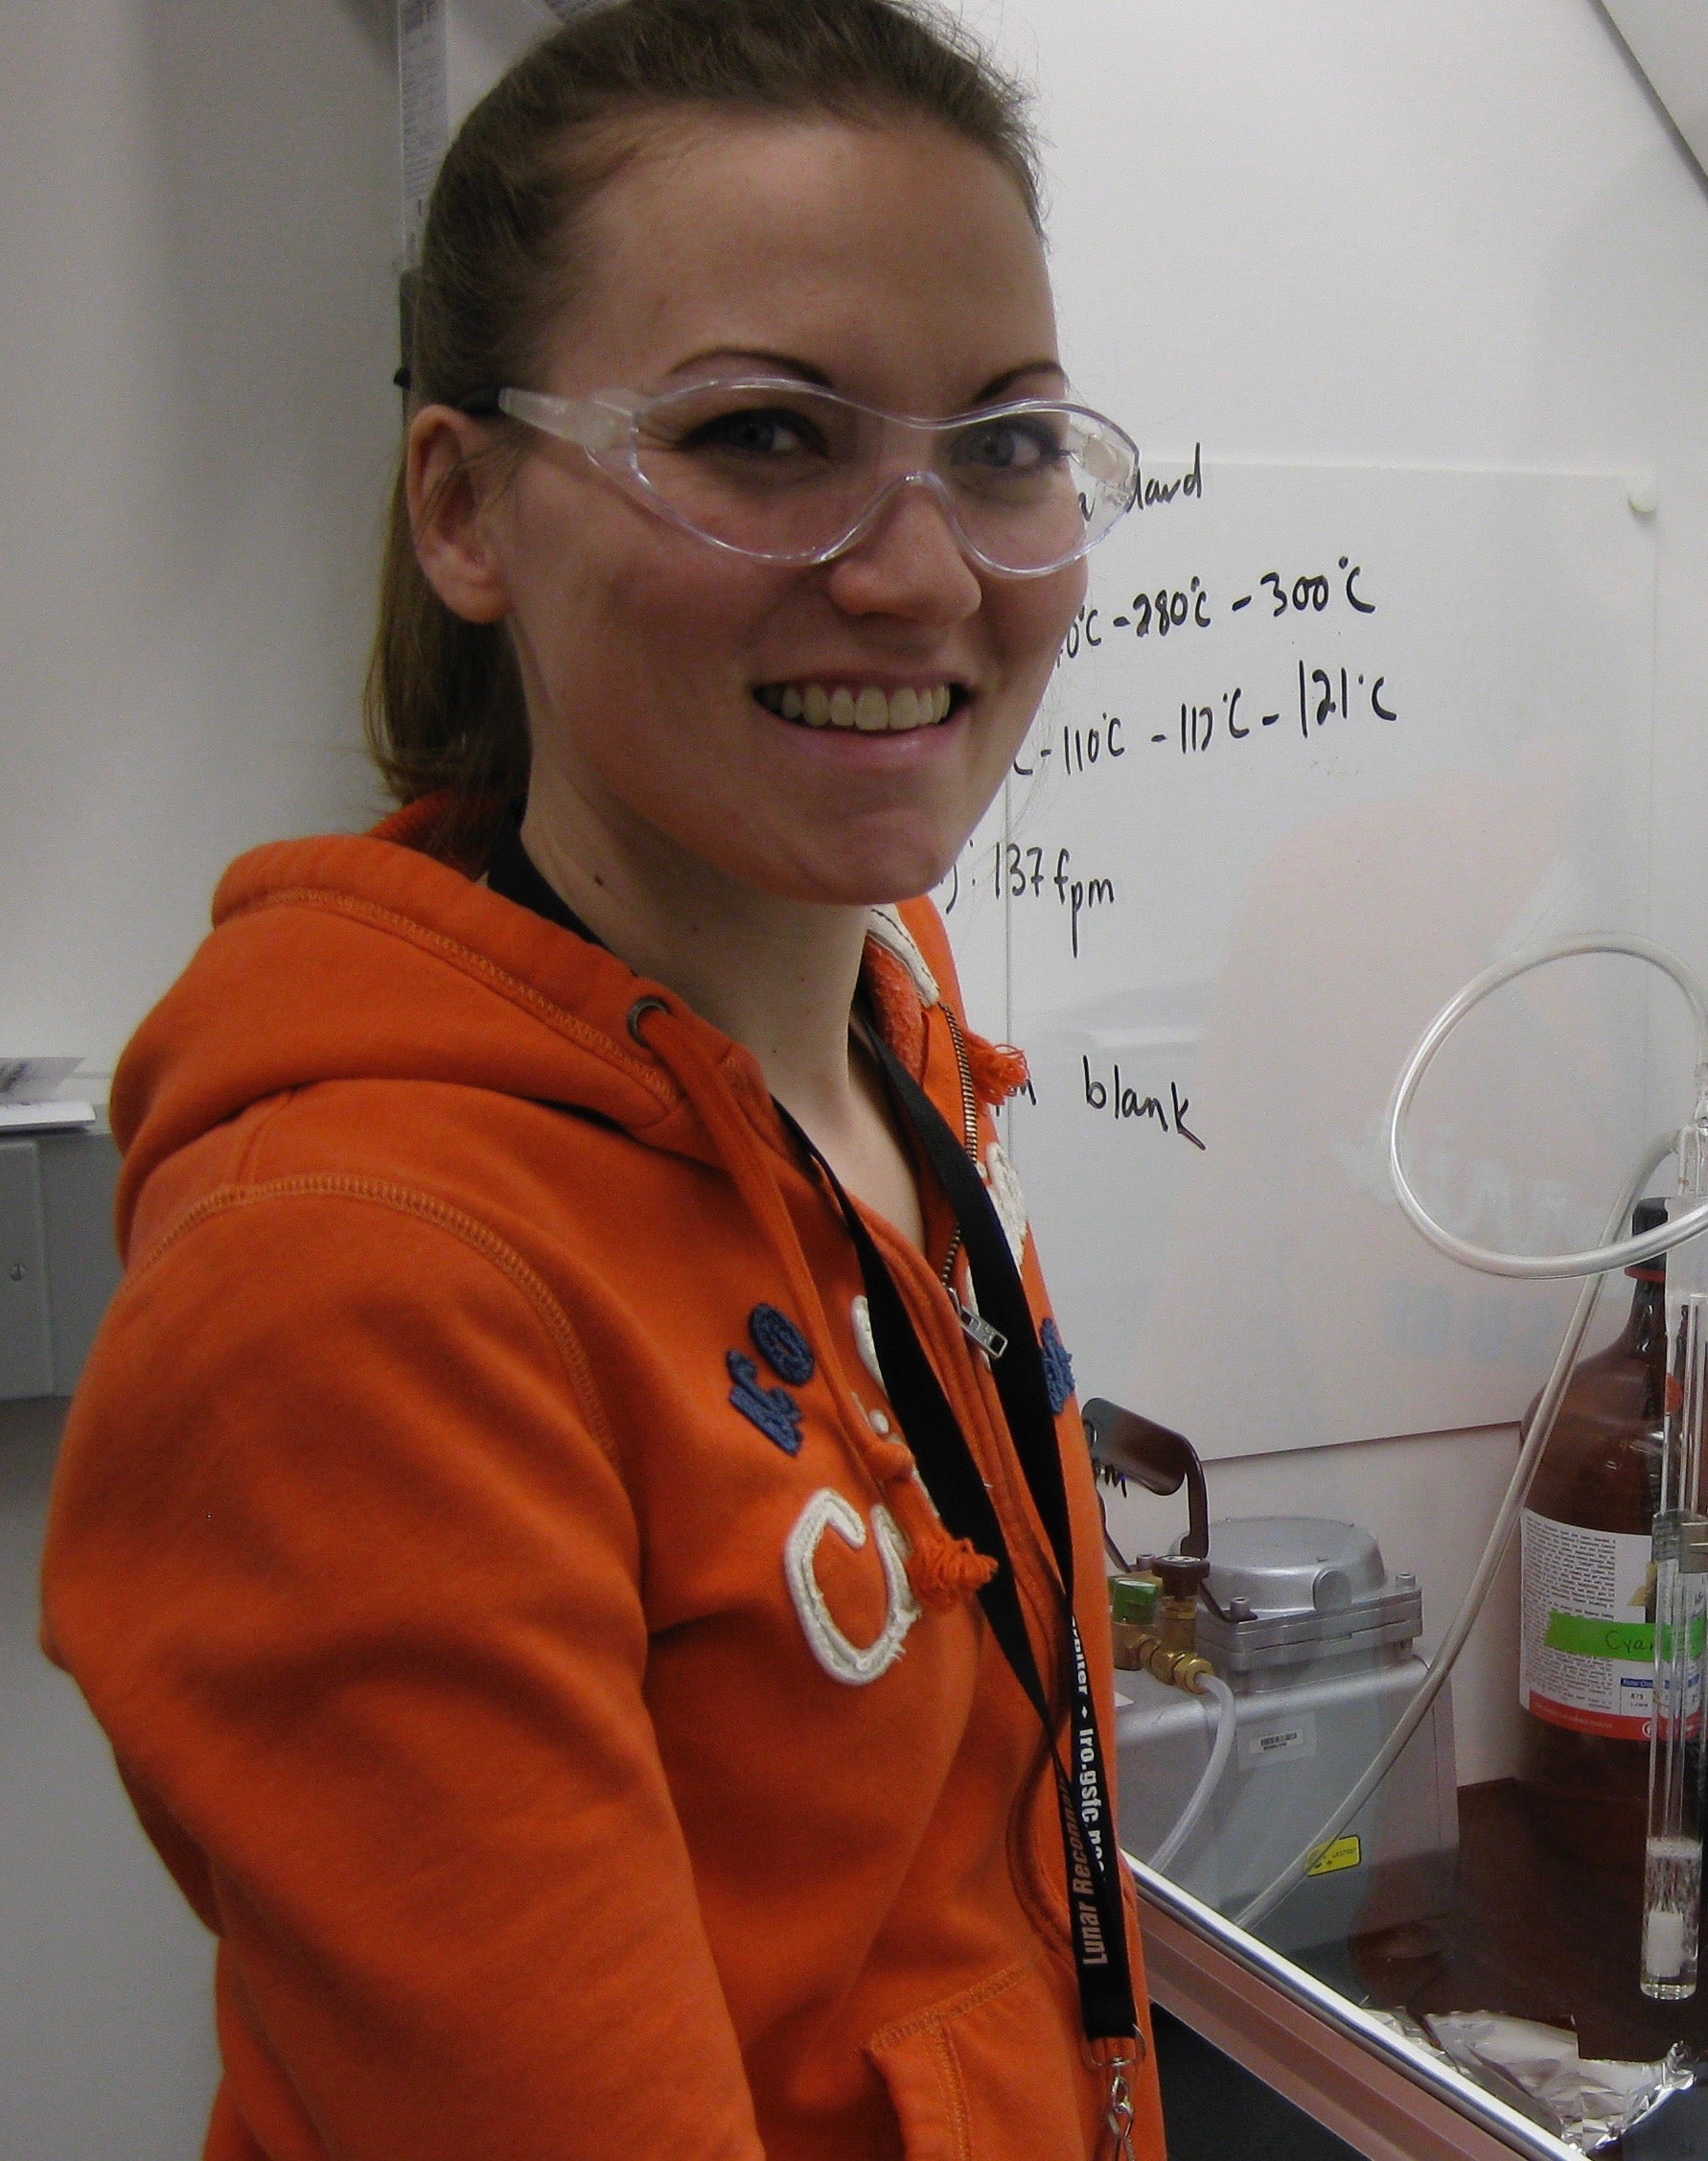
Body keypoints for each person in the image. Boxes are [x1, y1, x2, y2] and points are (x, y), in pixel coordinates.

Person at [39, 4, 1166, 2155]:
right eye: (763, 436)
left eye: (1006, 445)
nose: (923, 571)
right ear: (467, 509)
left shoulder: (880, 1039)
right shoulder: (354, 1291)